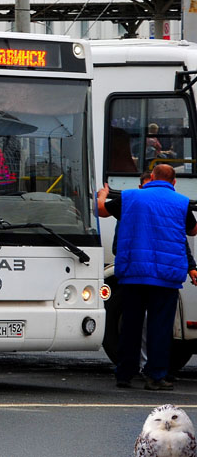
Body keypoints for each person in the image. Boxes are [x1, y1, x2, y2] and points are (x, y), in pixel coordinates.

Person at [98, 164, 197, 390]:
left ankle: (124, 374)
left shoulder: (131, 196)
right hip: (166, 275)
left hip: (134, 274)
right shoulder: (181, 202)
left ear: (151, 178)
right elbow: (192, 231)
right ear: (174, 182)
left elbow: (102, 210)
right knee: (160, 328)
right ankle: (156, 376)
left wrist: (103, 195)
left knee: (131, 325)